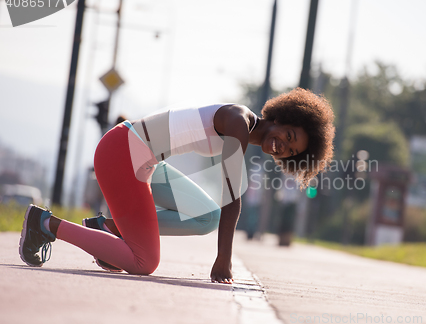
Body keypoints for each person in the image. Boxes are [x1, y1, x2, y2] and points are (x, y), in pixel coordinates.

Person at [19, 88, 335, 283]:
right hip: (121, 153)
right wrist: (223, 258)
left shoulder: (245, 127)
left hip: (142, 157)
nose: (282, 147)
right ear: (281, 118)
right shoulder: (239, 121)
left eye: (291, 151)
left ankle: (108, 229)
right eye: (289, 137)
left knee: (206, 217)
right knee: (144, 263)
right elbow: (232, 197)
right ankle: (44, 223)